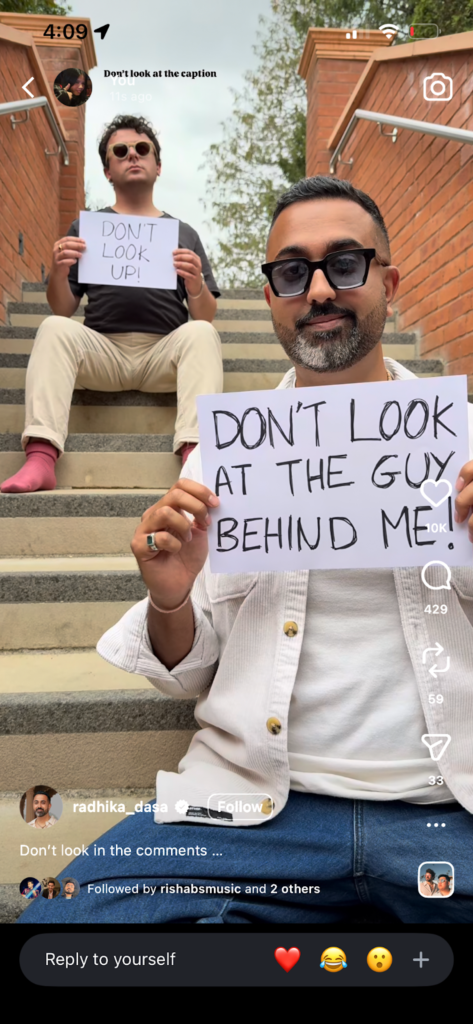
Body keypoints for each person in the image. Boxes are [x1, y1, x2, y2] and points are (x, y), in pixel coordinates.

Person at [18, 176, 473, 926]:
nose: (318, 290)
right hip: (250, 815)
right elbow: (187, 672)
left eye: (345, 265)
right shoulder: (224, 459)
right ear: (269, 299)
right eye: (292, 272)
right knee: (58, 930)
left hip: (447, 808)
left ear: (388, 284)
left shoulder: (462, 443)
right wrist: (169, 596)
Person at [2, 114, 222, 494]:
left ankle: (195, 460)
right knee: (52, 328)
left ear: (157, 166)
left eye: (142, 149)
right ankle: (41, 455)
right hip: (101, 352)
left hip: (163, 355)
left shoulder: (184, 233)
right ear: (107, 171)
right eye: (120, 151)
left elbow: (206, 316)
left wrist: (196, 285)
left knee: (201, 333)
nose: (132, 155)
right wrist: (59, 271)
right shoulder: (87, 229)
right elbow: (62, 309)